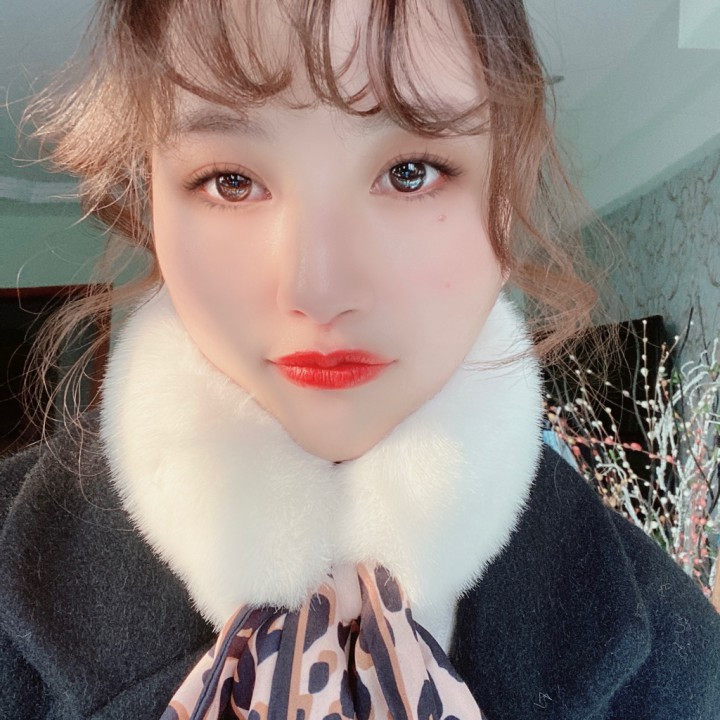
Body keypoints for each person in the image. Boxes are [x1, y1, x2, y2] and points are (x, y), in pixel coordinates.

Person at [1, 1, 719, 718]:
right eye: (231, 180)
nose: (317, 289)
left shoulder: (683, 657)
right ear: (152, 204)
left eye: (410, 172)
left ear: (507, 204)